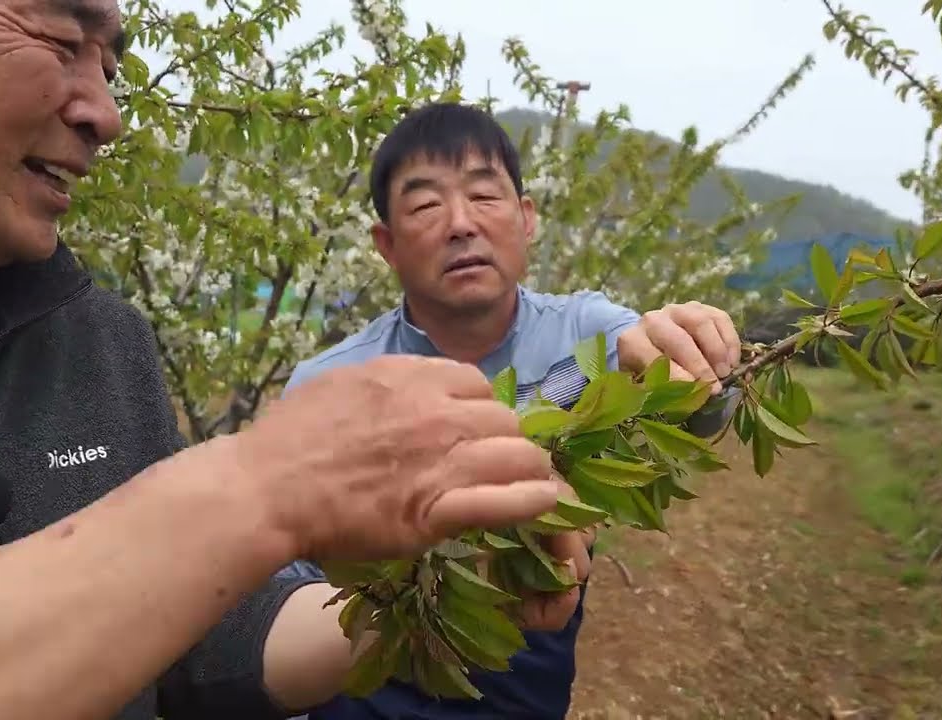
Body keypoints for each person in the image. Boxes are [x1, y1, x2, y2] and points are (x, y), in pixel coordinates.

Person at [0, 2, 578, 719]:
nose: (105, 116)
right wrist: (261, 488)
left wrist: (438, 589)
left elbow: (201, 632)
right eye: (58, 41)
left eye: (111, 72)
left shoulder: (96, 341)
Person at [278, 102, 744, 719]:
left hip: (527, 674)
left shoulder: (590, 334)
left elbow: (698, 409)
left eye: (485, 195)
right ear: (386, 245)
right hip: (369, 681)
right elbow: (290, 594)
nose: (461, 224)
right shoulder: (327, 386)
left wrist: (707, 363)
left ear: (527, 219)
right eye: (424, 205)